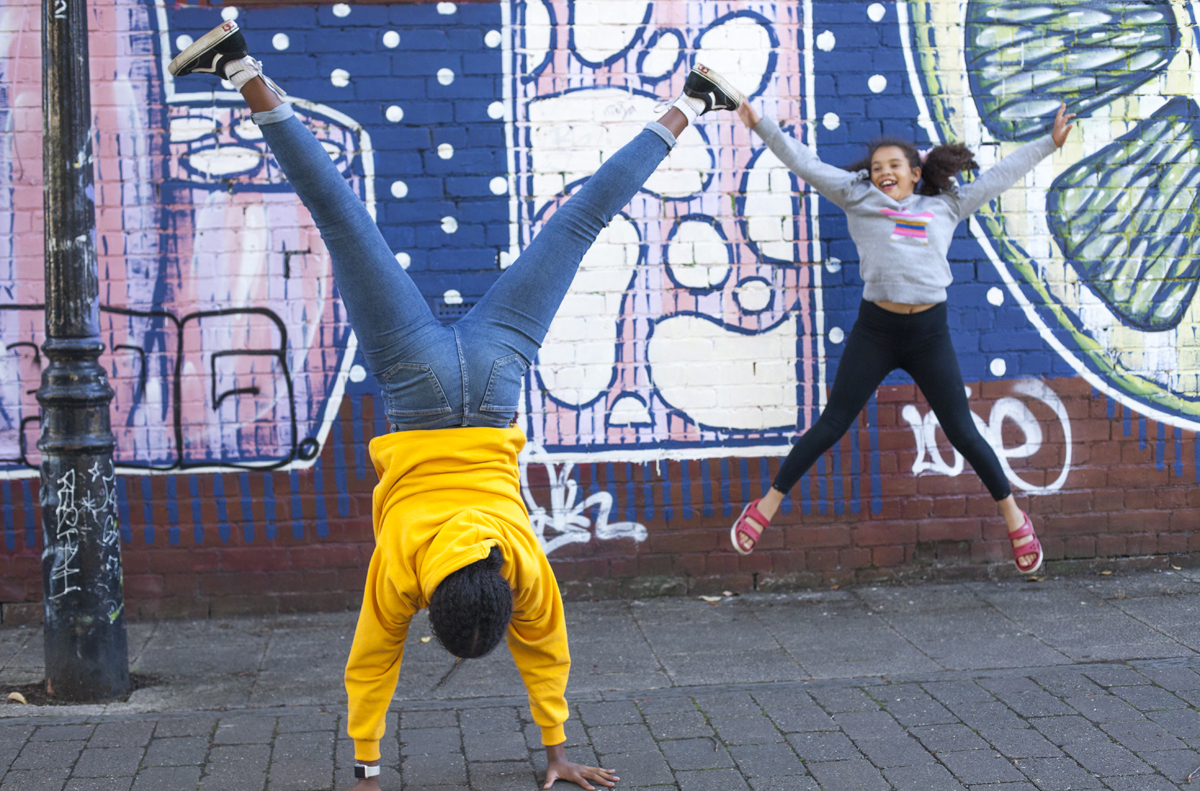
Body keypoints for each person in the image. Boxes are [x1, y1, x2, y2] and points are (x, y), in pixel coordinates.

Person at [169, 21, 744, 791]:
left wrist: (556, 750)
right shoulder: (405, 568)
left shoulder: (525, 567)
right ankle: (239, 66)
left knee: (578, 225)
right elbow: (371, 659)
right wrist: (366, 769)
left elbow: (548, 653)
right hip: (415, 384)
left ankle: (695, 103)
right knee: (342, 219)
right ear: (432, 602)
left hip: (497, 378)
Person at [729, 99, 1076, 576]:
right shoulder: (857, 197)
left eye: (894, 165)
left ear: (916, 173)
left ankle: (1015, 520)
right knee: (832, 424)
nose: (883, 172)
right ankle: (764, 507)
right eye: (876, 168)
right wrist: (760, 123)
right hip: (878, 330)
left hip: (928, 334)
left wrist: (1047, 144)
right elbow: (804, 163)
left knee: (962, 431)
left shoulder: (945, 205)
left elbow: (998, 176)